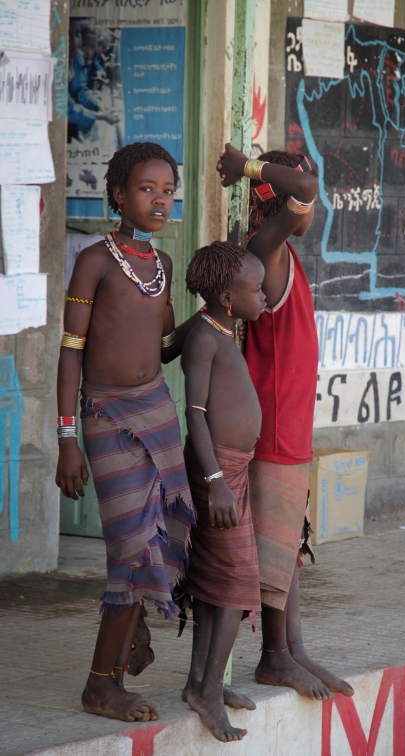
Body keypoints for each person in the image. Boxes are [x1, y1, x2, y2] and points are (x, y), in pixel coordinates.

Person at [55, 141, 198, 723]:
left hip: (158, 411)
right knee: (130, 550)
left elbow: (162, 348)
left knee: (165, 539)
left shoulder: (161, 267)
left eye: (168, 191)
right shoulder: (93, 260)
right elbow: (70, 356)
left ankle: (124, 649)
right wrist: (67, 439)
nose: (160, 200)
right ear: (119, 194)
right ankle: (99, 685)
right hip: (108, 418)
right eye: (147, 189)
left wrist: (214, 317)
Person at [217, 145, 355, 701]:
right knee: (271, 549)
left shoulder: (285, 256)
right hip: (272, 426)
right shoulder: (264, 251)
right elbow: (305, 189)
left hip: (290, 426)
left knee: (286, 545)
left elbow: (303, 189)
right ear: (275, 207)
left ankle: (293, 649)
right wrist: (247, 168)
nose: (313, 206)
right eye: (299, 197)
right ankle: (273, 656)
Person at [180, 241, 266, 742]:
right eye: (255, 291)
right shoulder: (205, 339)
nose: (264, 300)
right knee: (236, 584)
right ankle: (210, 692)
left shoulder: (218, 328)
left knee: (216, 584)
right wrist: (214, 481)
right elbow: (195, 413)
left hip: (231, 473)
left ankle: (200, 683)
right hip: (217, 476)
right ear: (229, 298)